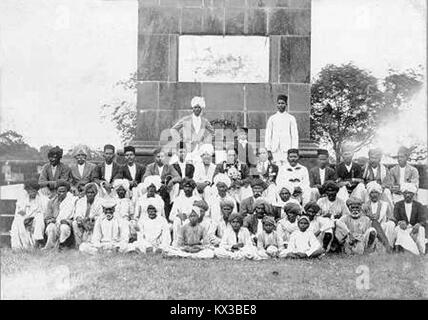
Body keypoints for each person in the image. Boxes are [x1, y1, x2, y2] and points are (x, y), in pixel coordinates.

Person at [171, 96, 215, 160]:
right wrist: (180, 142)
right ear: (192, 109)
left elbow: (213, 132)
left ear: (201, 109)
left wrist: (206, 140)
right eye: (195, 107)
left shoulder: (204, 121)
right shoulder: (185, 119)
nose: (197, 109)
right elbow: (173, 129)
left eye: (199, 107)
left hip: (200, 149)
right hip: (188, 149)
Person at [143, 148, 181, 219]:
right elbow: (145, 177)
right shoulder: (150, 167)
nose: (160, 158)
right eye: (158, 157)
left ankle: (172, 202)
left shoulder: (169, 166)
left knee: (177, 185)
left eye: (162, 156)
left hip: (166, 187)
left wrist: (172, 181)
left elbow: (178, 177)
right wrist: (156, 182)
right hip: (154, 188)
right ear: (154, 158)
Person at [10, 180, 48, 250]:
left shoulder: (42, 200)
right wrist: (25, 218)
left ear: (37, 190)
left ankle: (38, 239)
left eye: (34, 190)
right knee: (17, 222)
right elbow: (19, 212)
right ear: (27, 190)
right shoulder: (22, 199)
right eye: (29, 190)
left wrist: (32, 218)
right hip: (24, 218)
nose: (32, 192)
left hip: (35, 219)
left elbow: (43, 213)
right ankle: (20, 246)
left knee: (39, 218)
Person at [392, 183, 426, 255]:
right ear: (403, 194)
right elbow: (395, 217)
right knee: (399, 230)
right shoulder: (398, 204)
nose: (407, 195)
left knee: (421, 229)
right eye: (405, 193)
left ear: (413, 195)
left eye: (410, 193)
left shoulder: (419, 205)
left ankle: (421, 251)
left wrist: (418, 224)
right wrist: (400, 222)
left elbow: (423, 219)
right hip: (402, 227)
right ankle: (410, 251)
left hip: (414, 228)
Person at [316, 181, 350, 252]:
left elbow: (346, 215)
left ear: (336, 191)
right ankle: (325, 247)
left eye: (333, 190)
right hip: (324, 224)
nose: (331, 193)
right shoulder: (321, 201)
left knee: (337, 223)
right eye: (328, 190)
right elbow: (316, 215)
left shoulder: (341, 202)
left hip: (337, 224)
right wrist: (324, 216)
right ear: (325, 191)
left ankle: (337, 244)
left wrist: (338, 217)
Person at [265, 94, 299, 165]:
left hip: (286, 149)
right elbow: (268, 135)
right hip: (275, 149)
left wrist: (294, 150)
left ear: (286, 104)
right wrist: (268, 149)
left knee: (286, 168)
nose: (280, 105)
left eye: (282, 103)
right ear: (277, 105)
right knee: (275, 168)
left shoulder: (291, 118)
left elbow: (294, 135)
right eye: (279, 103)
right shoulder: (272, 118)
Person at [43, 180, 77, 250]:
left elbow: (74, 216)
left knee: (64, 227)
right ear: (56, 191)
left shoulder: (72, 200)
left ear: (67, 192)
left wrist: (67, 221)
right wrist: (51, 220)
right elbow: (47, 217)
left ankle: (62, 245)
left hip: (66, 223)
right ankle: (50, 247)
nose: (61, 193)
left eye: (63, 191)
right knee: (50, 227)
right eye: (59, 191)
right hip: (55, 223)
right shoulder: (51, 202)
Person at [362, 181, 395, 251]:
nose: (374, 195)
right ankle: (387, 246)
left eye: (376, 193)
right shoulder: (365, 206)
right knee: (373, 223)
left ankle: (389, 246)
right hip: (370, 227)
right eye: (372, 193)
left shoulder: (385, 204)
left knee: (391, 224)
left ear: (379, 194)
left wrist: (389, 221)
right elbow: (363, 219)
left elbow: (391, 217)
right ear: (369, 194)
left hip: (383, 226)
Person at [169, 178, 201, 245]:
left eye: (189, 187)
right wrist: (178, 216)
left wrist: (188, 217)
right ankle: (176, 243)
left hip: (191, 221)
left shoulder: (197, 199)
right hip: (180, 221)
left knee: (187, 222)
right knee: (176, 221)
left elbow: (199, 215)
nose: (187, 189)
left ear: (193, 188)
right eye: (185, 187)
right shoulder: (178, 199)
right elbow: (171, 216)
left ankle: (189, 243)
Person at [72, 183, 103, 248]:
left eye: (92, 192)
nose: (90, 194)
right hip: (83, 222)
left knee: (98, 223)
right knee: (75, 223)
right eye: (88, 192)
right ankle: (79, 244)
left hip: (94, 222)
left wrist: (90, 220)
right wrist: (83, 222)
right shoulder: (80, 201)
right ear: (85, 193)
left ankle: (93, 244)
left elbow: (101, 215)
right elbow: (77, 214)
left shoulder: (100, 202)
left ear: (95, 193)